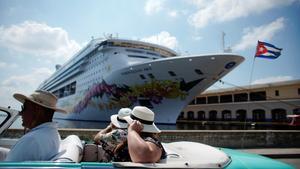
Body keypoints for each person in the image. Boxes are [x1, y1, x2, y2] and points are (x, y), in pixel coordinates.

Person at [4, 90, 67, 161]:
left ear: (38, 111)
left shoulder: (30, 140)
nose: (21, 113)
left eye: (24, 108)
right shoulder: (53, 133)